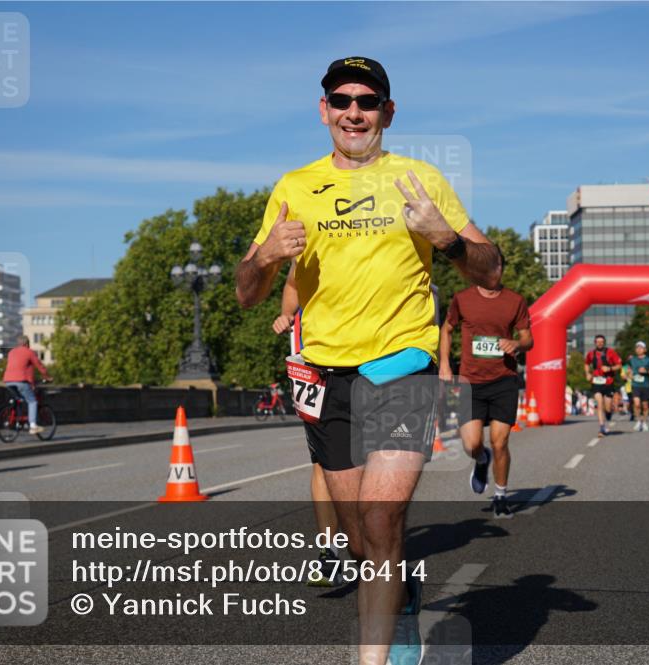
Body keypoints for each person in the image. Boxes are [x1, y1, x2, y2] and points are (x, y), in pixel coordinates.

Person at [234, 56, 500, 665]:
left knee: (382, 516)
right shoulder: (294, 186)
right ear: (324, 108)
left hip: (401, 366)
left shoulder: (419, 179)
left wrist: (447, 240)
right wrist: (269, 254)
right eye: (343, 99)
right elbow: (246, 291)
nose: (355, 111)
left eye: (369, 100)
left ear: (388, 111)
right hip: (327, 377)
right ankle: (401, 602)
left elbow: (492, 267)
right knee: (361, 536)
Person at [439, 252, 532, 518]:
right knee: (472, 443)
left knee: (500, 442)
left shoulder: (515, 301)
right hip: (471, 382)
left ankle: (501, 496)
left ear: (502, 268)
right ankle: (481, 459)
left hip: (503, 380)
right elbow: (446, 329)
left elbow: (528, 339)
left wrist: (516, 344)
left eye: (498, 265)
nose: (493, 271)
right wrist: (445, 365)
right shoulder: (462, 299)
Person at [272, 264, 343, 587]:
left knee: (370, 462)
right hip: (312, 367)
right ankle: (330, 552)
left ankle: (371, 543)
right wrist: (287, 315)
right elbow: (291, 284)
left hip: (366, 360)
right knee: (323, 463)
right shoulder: (309, 247)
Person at [2, 335, 52, 434]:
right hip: (21, 381)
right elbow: (39, 366)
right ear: (26, 343)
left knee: (20, 399)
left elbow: (21, 367)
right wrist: (47, 377)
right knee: (32, 401)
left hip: (8, 381)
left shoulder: (11, 352)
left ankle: (18, 419)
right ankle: (33, 425)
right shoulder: (29, 352)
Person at [584, 334, 621, 436]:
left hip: (608, 382)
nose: (600, 343)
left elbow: (619, 365)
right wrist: (587, 373)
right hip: (596, 381)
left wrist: (609, 369)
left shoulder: (611, 353)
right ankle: (602, 428)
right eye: (598, 342)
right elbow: (586, 363)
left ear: (604, 343)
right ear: (595, 343)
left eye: (601, 342)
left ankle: (609, 413)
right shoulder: (591, 354)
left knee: (607, 407)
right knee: (599, 403)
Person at [625, 341, 649, 432]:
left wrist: (645, 371)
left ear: (645, 350)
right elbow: (628, 369)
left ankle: (645, 422)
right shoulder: (632, 359)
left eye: (641, 347)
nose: (639, 349)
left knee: (645, 406)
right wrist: (629, 375)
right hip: (635, 385)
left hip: (645, 385)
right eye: (637, 347)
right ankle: (638, 421)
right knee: (637, 404)